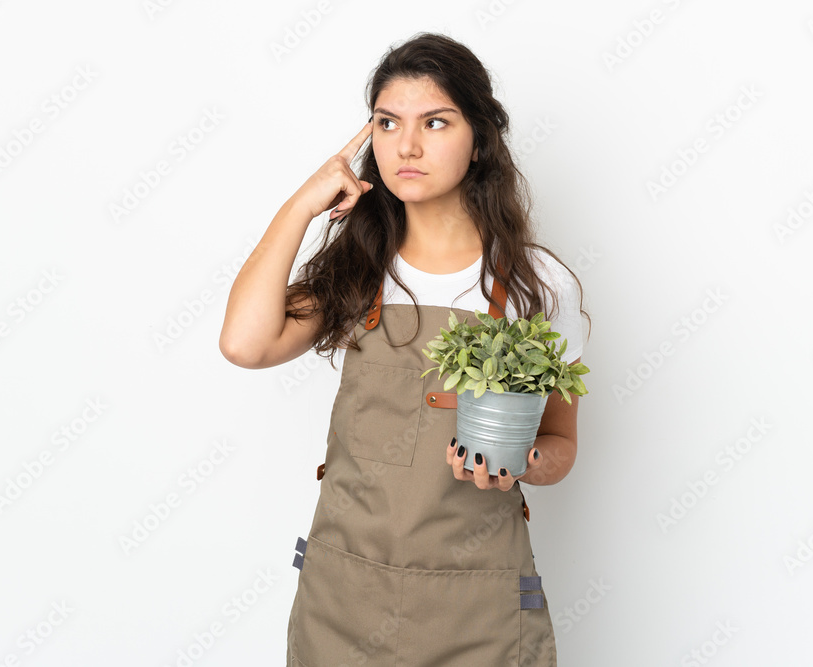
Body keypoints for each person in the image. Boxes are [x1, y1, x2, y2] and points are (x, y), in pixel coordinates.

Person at [219, 31, 591, 667]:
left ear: (479, 141)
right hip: (345, 600)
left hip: (477, 609)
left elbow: (560, 446)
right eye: (388, 123)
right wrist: (302, 205)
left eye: (436, 122)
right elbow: (245, 345)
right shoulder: (358, 269)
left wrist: (518, 459)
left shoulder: (536, 284)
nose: (407, 146)